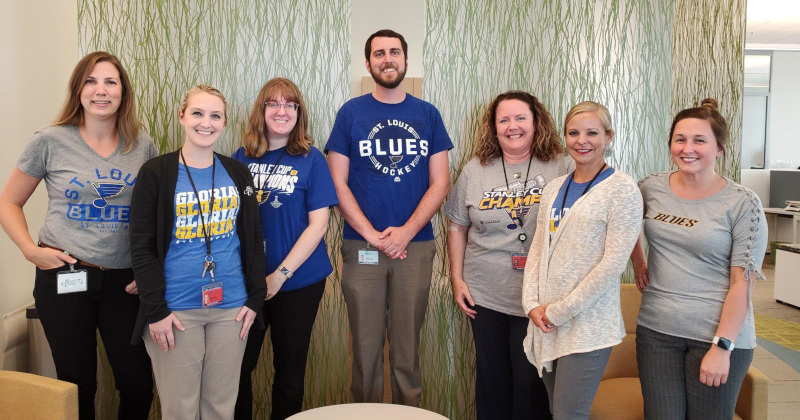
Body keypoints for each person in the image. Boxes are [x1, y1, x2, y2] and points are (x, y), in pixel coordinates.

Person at [0, 51, 156, 420]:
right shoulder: (50, 141)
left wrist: (147, 269)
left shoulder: (143, 146)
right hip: (66, 274)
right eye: (91, 81)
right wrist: (29, 250)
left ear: (123, 92)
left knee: (137, 385)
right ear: (78, 89)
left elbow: (153, 216)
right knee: (77, 384)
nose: (100, 90)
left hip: (124, 282)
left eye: (110, 82)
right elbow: (9, 201)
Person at [325, 29, 453, 405]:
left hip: (415, 247)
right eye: (379, 53)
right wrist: (373, 235)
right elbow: (338, 182)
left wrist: (405, 233)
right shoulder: (350, 113)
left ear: (405, 60)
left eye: (394, 51)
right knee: (364, 350)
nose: (387, 58)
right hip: (361, 246)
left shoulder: (427, 114)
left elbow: (440, 182)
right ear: (368, 64)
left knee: (407, 348)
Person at [129, 85, 266, 420]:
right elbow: (142, 247)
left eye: (215, 115)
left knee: (221, 408)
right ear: (182, 117)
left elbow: (252, 237)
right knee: (180, 410)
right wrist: (156, 310)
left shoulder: (237, 171)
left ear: (224, 122)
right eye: (198, 113)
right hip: (175, 310)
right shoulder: (156, 173)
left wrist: (255, 299)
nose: (207, 123)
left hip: (231, 307)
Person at [631, 98, 768, 419]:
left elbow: (741, 285)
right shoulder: (652, 187)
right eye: (680, 139)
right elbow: (622, 220)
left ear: (719, 148)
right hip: (656, 330)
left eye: (699, 140)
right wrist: (638, 261)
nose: (687, 148)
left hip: (715, 335)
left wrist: (722, 348)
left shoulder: (742, 203)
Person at [444, 90, 568, 419]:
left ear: (536, 122)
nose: (512, 126)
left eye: (520, 118)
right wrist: (457, 279)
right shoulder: (475, 170)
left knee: (532, 384)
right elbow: (456, 226)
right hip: (485, 296)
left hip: (540, 298)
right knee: (492, 381)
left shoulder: (562, 165)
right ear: (493, 127)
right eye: (504, 120)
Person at [522, 101, 642, 419]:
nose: (582, 140)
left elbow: (613, 264)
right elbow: (539, 248)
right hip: (546, 322)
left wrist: (561, 311)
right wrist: (530, 303)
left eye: (592, 133)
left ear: (609, 136)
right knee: (555, 410)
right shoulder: (554, 188)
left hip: (587, 324)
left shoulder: (623, 190)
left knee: (568, 414)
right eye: (574, 133)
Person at [232, 78, 338, 420]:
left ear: (298, 113)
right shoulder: (240, 158)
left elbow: (318, 225)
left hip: (298, 283)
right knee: (237, 370)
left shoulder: (312, 159)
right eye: (273, 104)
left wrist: (280, 275)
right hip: (246, 284)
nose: (281, 111)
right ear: (261, 111)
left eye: (289, 105)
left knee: (289, 373)